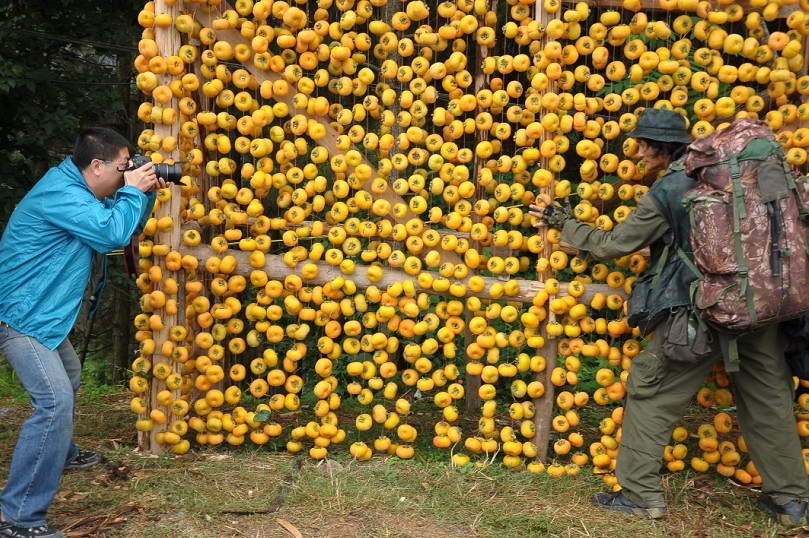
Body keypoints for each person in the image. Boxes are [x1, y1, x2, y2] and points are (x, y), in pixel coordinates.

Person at [529, 108, 809, 526]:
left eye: (644, 144)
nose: (638, 152)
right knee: (769, 402)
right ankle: (791, 501)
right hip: (760, 308)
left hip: (700, 314)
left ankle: (640, 494)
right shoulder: (748, 179)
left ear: (662, 147)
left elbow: (614, 245)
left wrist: (565, 224)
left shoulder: (673, 185)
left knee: (650, 392)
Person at [0, 127, 164, 538]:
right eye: (124, 167)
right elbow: (111, 234)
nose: (128, 172)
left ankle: (59, 453)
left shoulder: (80, 191)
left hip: (42, 317)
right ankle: (17, 517)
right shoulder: (62, 195)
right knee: (54, 402)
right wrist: (132, 190)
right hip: (20, 317)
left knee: (68, 381)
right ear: (96, 166)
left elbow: (125, 229)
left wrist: (145, 192)